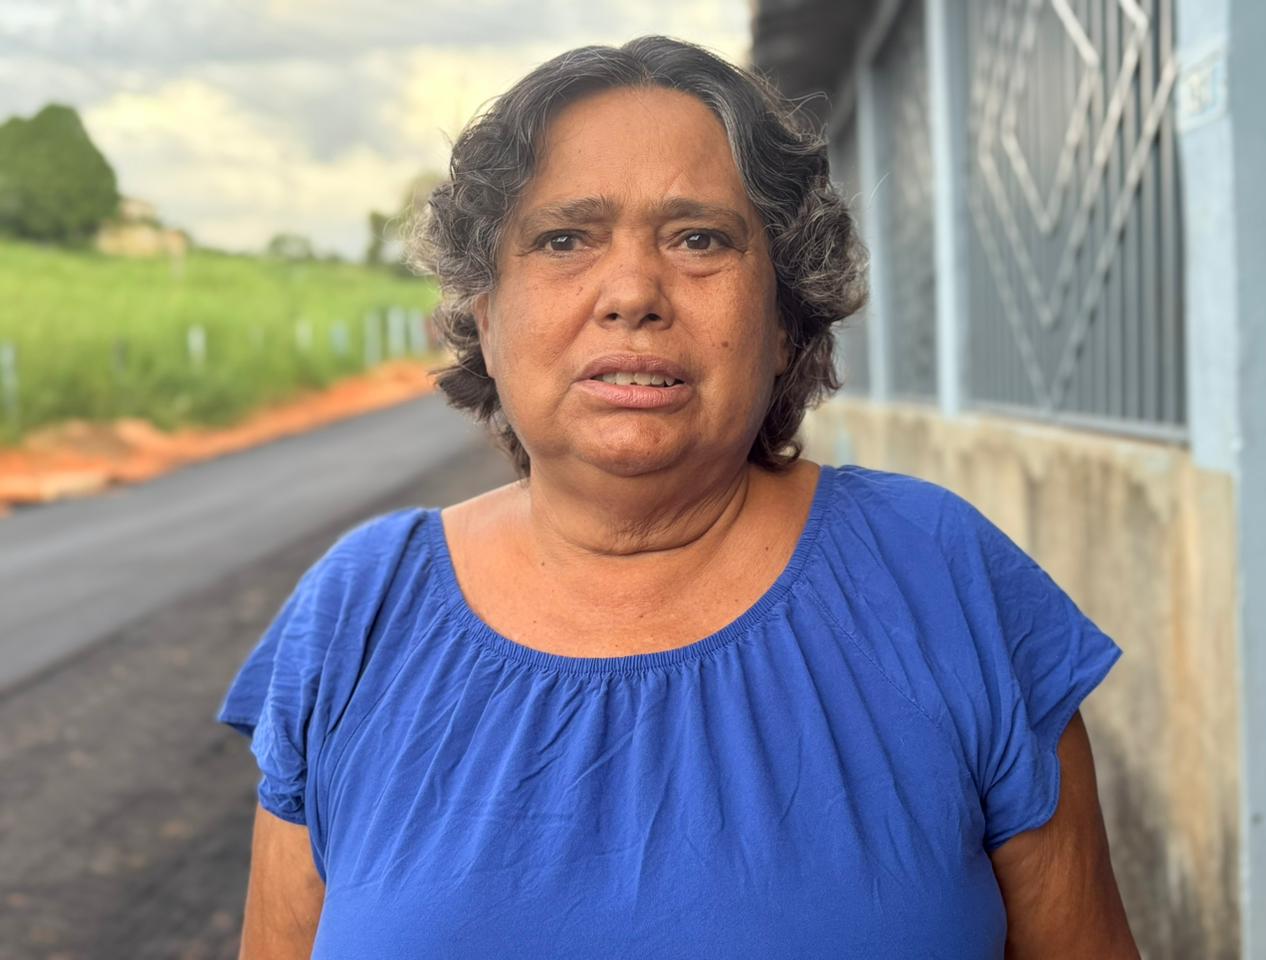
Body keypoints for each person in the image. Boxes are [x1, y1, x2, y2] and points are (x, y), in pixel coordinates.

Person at [217, 35, 1137, 959]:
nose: (631, 294)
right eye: (564, 238)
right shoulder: (360, 617)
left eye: (699, 238)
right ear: (486, 316)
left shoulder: (942, 583)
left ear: (785, 317)